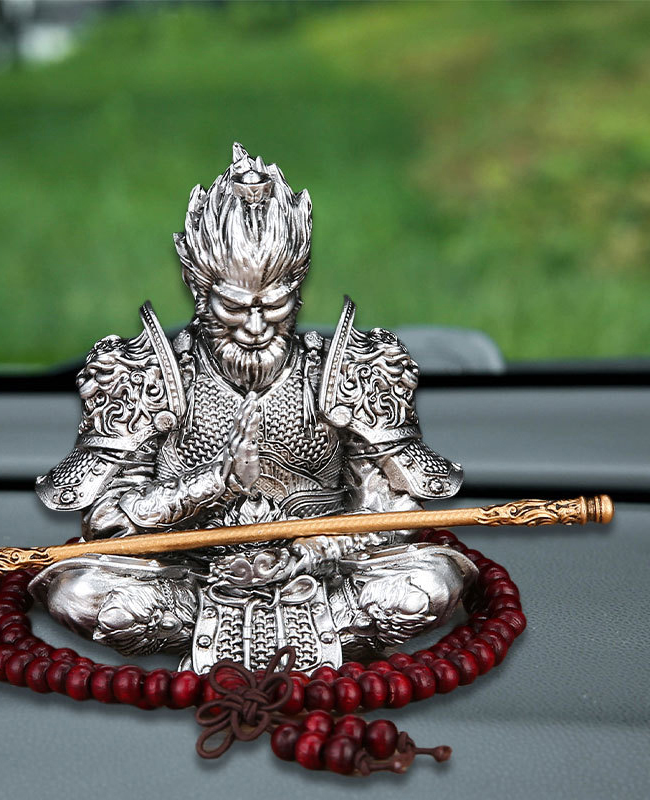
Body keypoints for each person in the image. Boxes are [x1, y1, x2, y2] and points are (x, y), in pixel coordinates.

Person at [29, 144, 476, 672]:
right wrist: (208, 485)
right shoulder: (142, 372)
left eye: (275, 303)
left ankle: (299, 628)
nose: (257, 326)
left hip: (326, 577)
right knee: (80, 592)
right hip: (187, 578)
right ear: (198, 288)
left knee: (431, 584)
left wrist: (314, 551)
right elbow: (108, 523)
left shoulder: (353, 367)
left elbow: (394, 508)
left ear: (299, 288)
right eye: (234, 307)